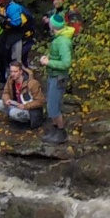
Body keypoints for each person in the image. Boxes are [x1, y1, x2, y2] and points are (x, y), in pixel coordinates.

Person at [39, 14, 73, 143]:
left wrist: (48, 62)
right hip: (53, 75)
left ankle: (61, 133)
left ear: (52, 26)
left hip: (59, 77)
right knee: (50, 104)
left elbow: (66, 63)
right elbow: (57, 55)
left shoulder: (63, 41)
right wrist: (48, 57)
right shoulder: (58, 38)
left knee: (54, 106)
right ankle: (54, 130)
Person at [0, 0, 33, 74]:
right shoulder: (1, 6)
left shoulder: (13, 8)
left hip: (21, 35)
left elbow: (16, 24)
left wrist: (3, 21)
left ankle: (23, 76)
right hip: (9, 34)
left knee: (16, 60)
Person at [0, 61, 46, 129]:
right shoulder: (10, 79)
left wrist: (25, 106)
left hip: (30, 110)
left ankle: (26, 121)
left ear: (21, 72)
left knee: (13, 113)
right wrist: (6, 100)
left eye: (15, 72)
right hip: (17, 104)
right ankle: (15, 116)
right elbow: (6, 92)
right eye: (11, 71)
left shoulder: (32, 83)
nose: (12, 74)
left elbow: (40, 101)